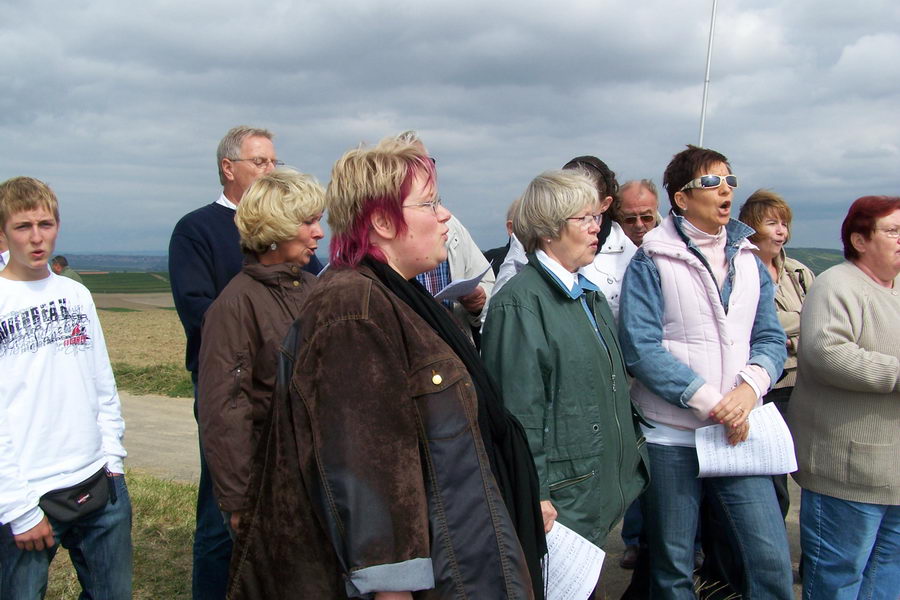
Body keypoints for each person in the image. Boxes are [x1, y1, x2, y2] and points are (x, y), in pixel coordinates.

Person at [228, 137, 541, 599]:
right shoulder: (353, 307)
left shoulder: (397, 295)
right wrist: (391, 588)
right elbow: (365, 467)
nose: (445, 216)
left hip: (450, 549)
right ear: (380, 220)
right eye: (430, 203)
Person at [618, 145, 791, 599]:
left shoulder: (751, 260)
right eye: (711, 182)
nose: (726, 190)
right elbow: (640, 348)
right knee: (672, 567)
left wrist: (750, 390)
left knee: (769, 560)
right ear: (680, 198)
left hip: (736, 432)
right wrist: (713, 404)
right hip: (671, 437)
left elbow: (770, 339)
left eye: (730, 180)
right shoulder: (651, 260)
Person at [482, 169, 649, 553]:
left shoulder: (587, 294)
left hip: (590, 488)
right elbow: (518, 413)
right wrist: (534, 494)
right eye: (585, 218)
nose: (597, 229)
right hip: (562, 499)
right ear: (548, 229)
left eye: (598, 218)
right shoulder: (519, 304)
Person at [169, 125, 294, 600]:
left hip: (282, 388)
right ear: (228, 168)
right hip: (229, 389)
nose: (269, 171)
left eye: (274, 163)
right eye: (260, 162)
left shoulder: (284, 230)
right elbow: (197, 308)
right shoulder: (197, 229)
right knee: (222, 511)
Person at [0, 177, 131, 599]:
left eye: (46, 224)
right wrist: (17, 509)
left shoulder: (76, 294)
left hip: (98, 482)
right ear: (3, 232)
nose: (37, 238)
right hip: (29, 495)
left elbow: (101, 384)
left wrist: (112, 461)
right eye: (23, 227)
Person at [198, 169, 324, 539]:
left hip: (316, 475)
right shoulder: (234, 306)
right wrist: (240, 500)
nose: (319, 232)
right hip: (271, 482)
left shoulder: (316, 288)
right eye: (307, 222)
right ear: (274, 228)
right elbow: (226, 409)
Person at [788, 196, 900, 600]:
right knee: (839, 578)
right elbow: (826, 354)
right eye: (893, 231)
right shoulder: (836, 285)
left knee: (888, 575)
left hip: (894, 473)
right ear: (859, 239)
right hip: (847, 472)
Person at [615, 179, 661, 247]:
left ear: (656, 211)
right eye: (630, 219)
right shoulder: (601, 250)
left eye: (646, 218)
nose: (639, 225)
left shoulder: (675, 246)